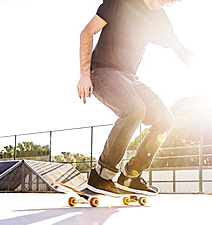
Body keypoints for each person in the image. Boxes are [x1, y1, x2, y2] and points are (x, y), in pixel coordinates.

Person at [78, 0, 194, 196]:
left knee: (165, 120)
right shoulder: (121, 2)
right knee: (133, 110)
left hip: (130, 78)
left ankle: (130, 177)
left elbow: (180, 49)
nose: (163, 4)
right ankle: (101, 176)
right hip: (102, 72)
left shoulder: (159, 18)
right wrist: (84, 75)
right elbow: (87, 32)